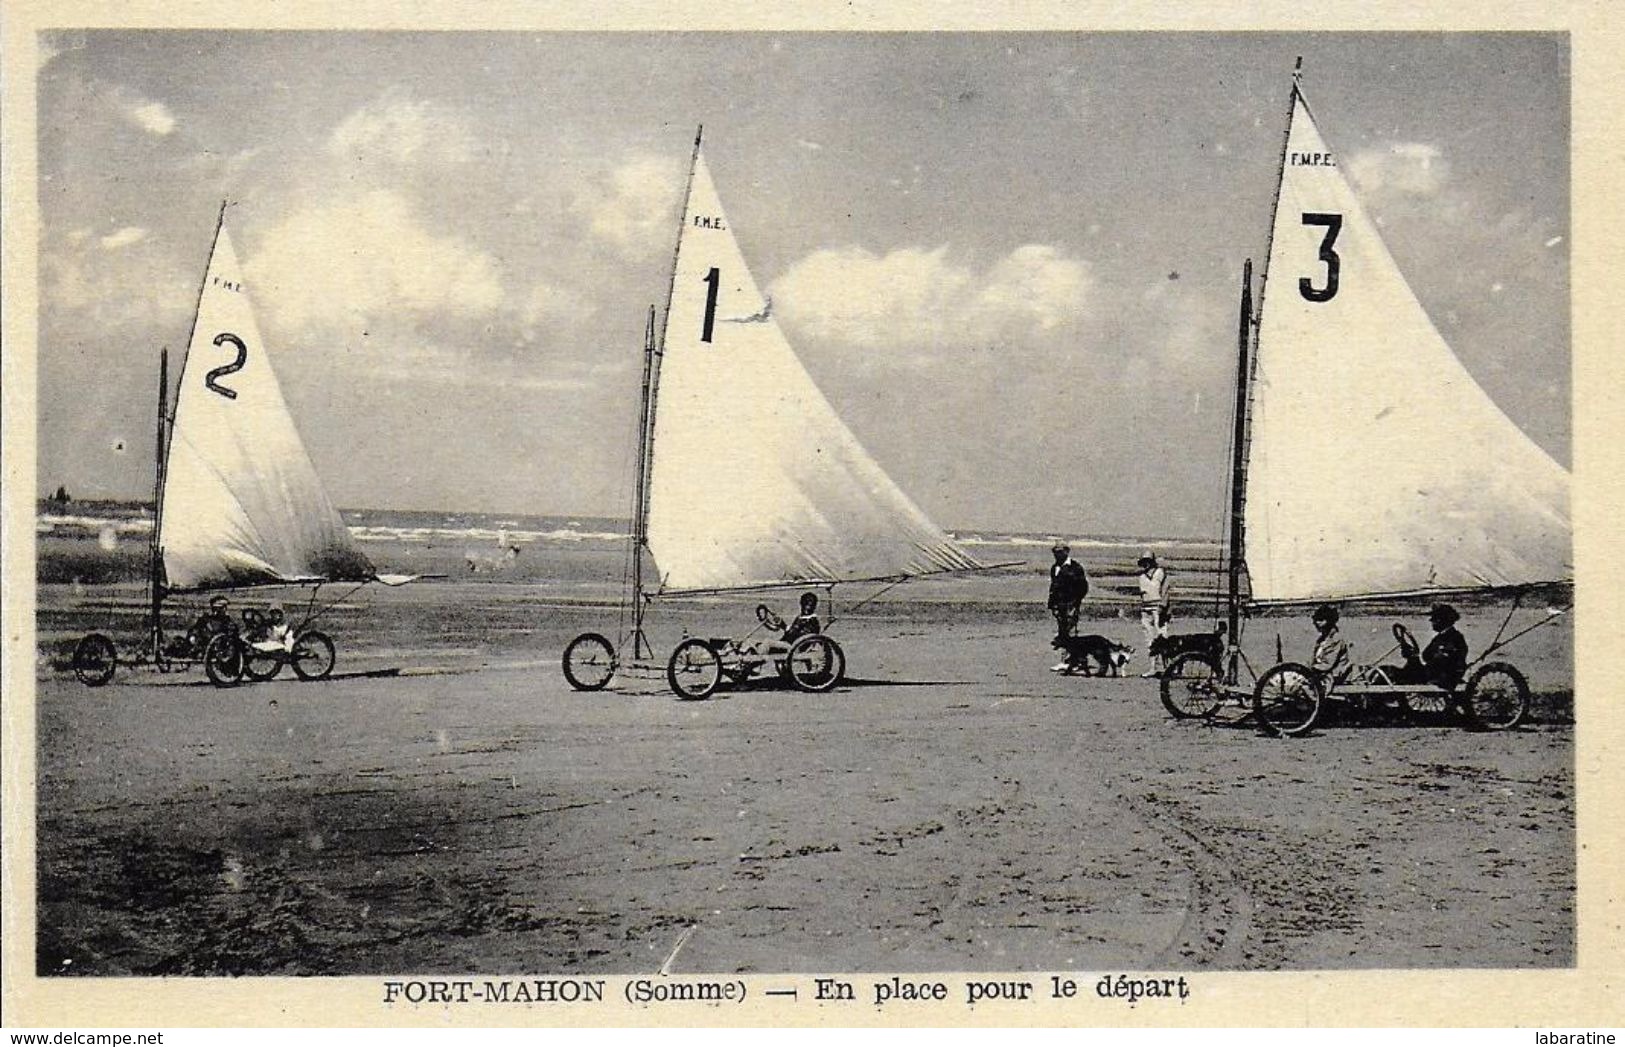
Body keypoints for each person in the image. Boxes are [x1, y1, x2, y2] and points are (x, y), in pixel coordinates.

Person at [1384, 603, 1469, 691]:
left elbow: (1440, 659)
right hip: (1437, 672)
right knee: (1397, 670)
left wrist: (1414, 659)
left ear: (1442, 621)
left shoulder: (1453, 638)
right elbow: (1427, 656)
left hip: (1443, 676)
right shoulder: (1443, 636)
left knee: (1399, 674)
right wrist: (1413, 656)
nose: (1431, 622)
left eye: (1434, 620)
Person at [1047, 543, 1090, 652]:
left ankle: (1071, 660)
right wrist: (1051, 604)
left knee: (1070, 631)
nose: (1057, 555)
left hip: (1071, 604)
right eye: (1055, 552)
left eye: (1060, 552)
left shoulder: (1075, 567)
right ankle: (1067, 659)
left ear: (1066, 552)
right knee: (1062, 631)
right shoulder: (1054, 568)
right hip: (1058, 604)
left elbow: (1083, 587)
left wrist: (1075, 602)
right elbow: (1053, 586)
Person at [1137, 551, 1172, 676]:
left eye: (1148, 561)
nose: (1146, 564)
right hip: (1146, 610)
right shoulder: (1141, 577)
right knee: (1149, 640)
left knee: (1163, 639)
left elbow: (1166, 591)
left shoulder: (1161, 573)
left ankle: (1167, 667)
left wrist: (1163, 607)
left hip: (1158, 609)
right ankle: (1153, 668)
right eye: (1143, 562)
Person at [1309, 603, 1351, 685]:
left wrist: (1309, 671)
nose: (1316, 623)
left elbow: (1327, 664)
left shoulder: (1336, 639)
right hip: (1323, 675)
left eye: (1321, 620)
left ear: (1329, 621)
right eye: (1316, 620)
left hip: (1334, 677)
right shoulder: (1322, 640)